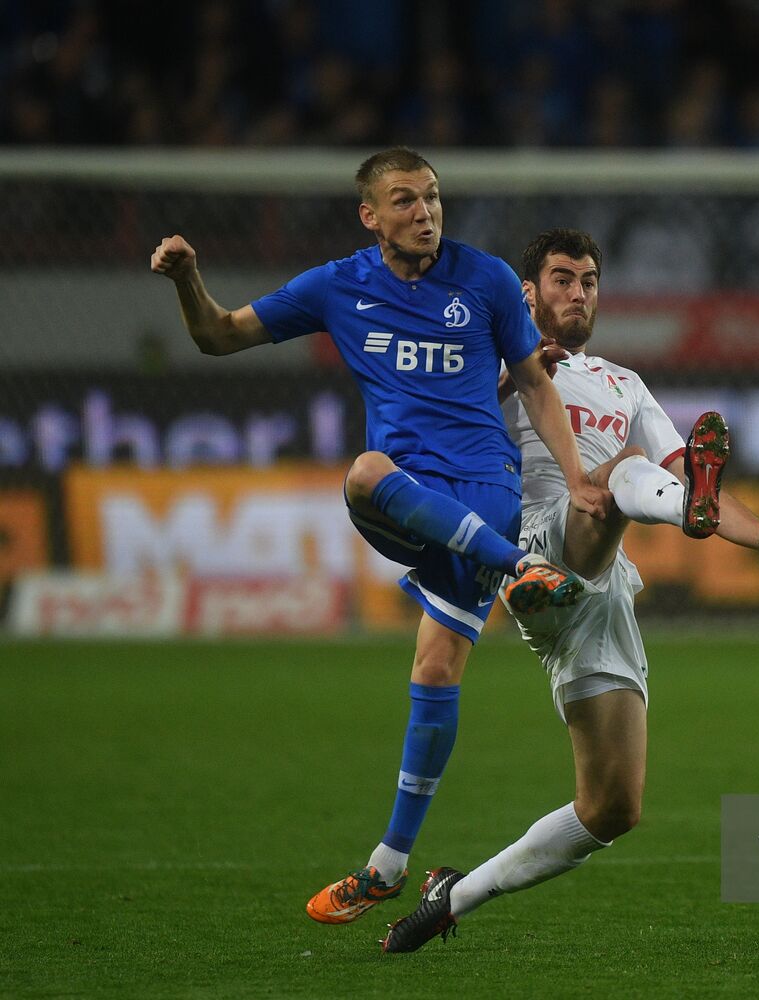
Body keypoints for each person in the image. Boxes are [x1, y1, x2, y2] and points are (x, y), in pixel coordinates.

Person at [149, 148, 610, 925]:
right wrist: (186, 279)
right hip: (410, 499)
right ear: (370, 215)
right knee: (366, 471)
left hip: (483, 491)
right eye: (403, 200)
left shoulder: (489, 278)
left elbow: (534, 380)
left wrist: (578, 479)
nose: (424, 212)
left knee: (434, 669)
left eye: (431, 197)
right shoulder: (337, 285)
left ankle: (386, 866)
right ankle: (520, 568)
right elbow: (219, 336)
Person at [379, 228, 759, 953]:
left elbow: (695, 478)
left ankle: (454, 896)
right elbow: (423, 429)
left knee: (611, 809)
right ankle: (655, 507)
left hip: (599, 590)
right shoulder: (485, 361)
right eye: (562, 279)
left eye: (590, 281)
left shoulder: (622, 384)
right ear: (527, 293)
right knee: (614, 475)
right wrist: (504, 379)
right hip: (530, 546)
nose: (577, 293)